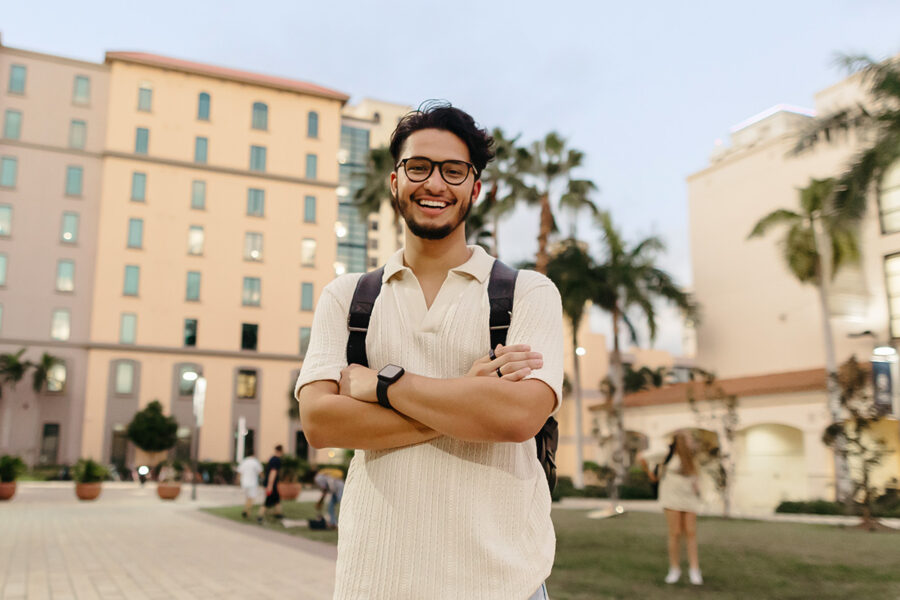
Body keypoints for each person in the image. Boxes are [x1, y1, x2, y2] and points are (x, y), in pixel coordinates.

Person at [295, 102, 563, 600]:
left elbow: (519, 417)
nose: (434, 184)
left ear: (474, 188)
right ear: (395, 181)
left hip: (503, 585)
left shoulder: (527, 293)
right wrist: (469, 396)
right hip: (376, 581)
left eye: (453, 171)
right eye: (418, 167)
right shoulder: (348, 297)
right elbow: (321, 423)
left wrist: (381, 386)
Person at [643, 430, 703, 585]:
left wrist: (697, 487)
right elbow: (642, 458)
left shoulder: (692, 458)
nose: (691, 442)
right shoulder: (667, 454)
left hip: (689, 499)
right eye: (689, 439)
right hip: (671, 498)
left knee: (691, 533)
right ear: (681, 441)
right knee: (675, 533)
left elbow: (695, 475)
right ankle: (674, 568)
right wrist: (652, 476)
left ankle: (694, 569)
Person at [258, 444, 283, 523]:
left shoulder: (272, 458)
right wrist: (270, 485)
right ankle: (260, 516)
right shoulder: (276, 460)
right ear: (281, 451)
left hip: (270, 482)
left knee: (277, 498)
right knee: (268, 500)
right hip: (271, 483)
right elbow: (273, 472)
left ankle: (278, 513)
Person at [236, 450, 263, 519]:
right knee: (252, 498)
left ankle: (246, 510)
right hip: (252, 483)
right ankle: (247, 512)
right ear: (253, 454)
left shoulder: (244, 461)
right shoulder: (255, 462)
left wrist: (238, 481)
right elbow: (260, 473)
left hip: (244, 482)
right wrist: (264, 480)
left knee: (247, 497)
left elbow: (239, 472)